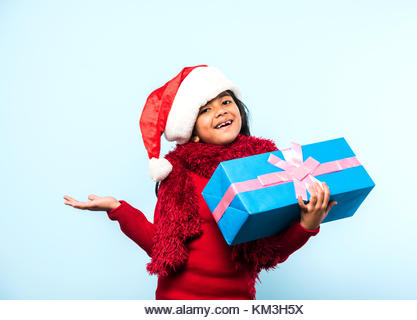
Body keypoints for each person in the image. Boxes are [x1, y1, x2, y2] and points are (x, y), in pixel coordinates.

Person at [63, 65, 337, 300]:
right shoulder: (177, 175)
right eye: (206, 109)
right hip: (178, 302)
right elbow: (161, 245)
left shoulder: (265, 167)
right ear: (191, 132)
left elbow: (271, 251)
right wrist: (118, 209)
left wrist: (307, 224)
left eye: (226, 102)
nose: (220, 111)